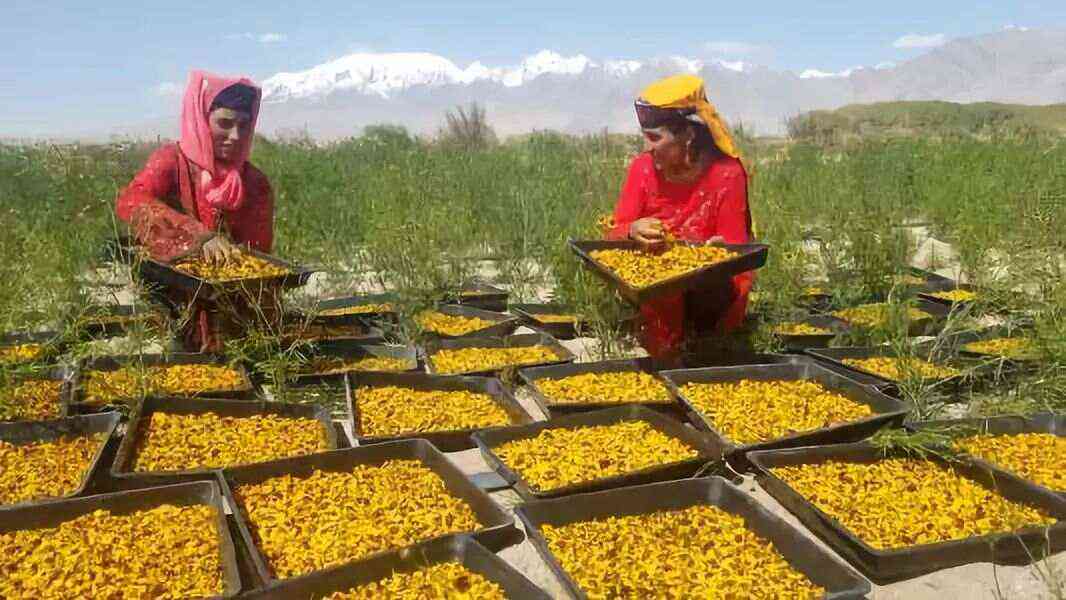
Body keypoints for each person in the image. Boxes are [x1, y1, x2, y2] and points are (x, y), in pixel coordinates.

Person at [116, 70, 274, 352]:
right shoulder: (172, 161)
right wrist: (197, 237)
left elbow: (259, 255)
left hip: (232, 304)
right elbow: (131, 200)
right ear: (201, 119)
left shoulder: (255, 182)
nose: (235, 135)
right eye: (224, 123)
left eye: (243, 125)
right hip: (174, 297)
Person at [608, 74, 754, 359]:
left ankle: (708, 346)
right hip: (652, 290)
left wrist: (717, 253)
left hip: (709, 291)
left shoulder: (727, 173)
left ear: (687, 135)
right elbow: (612, 234)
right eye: (645, 138)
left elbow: (738, 254)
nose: (648, 147)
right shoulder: (642, 169)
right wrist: (631, 230)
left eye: (655, 138)